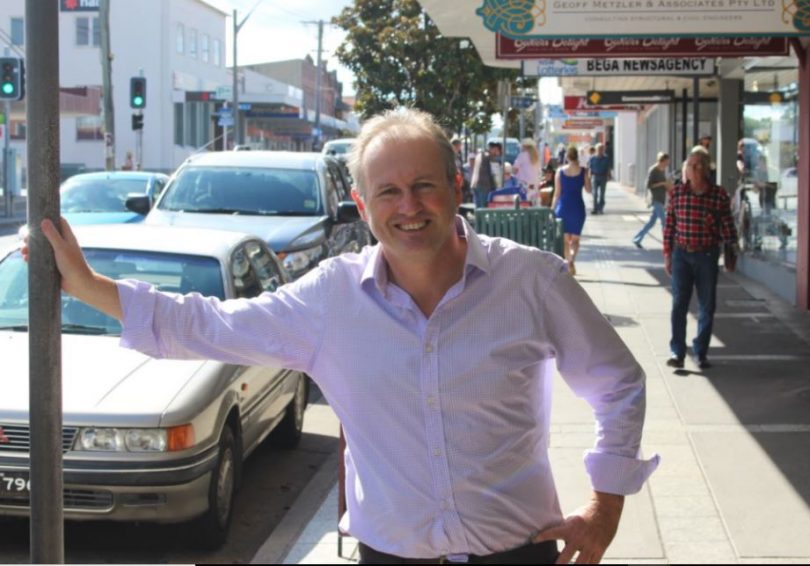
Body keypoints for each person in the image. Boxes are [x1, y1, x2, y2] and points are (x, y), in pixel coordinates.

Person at [26, 108, 657, 565]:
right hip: (389, 559)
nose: (408, 205)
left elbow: (619, 385)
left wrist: (605, 508)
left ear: (456, 186)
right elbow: (211, 324)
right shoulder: (330, 299)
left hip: (519, 555)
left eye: (424, 185)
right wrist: (88, 288)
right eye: (388, 191)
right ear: (360, 201)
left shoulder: (531, 281)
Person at [664, 146, 738, 370]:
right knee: (679, 304)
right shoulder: (677, 193)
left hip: (707, 254)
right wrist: (667, 253)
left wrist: (730, 251)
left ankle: (700, 352)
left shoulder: (718, 194)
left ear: (706, 169)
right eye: (690, 165)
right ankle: (678, 351)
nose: (693, 170)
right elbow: (670, 225)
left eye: (698, 166)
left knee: (707, 305)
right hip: (682, 255)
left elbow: (727, 224)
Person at [553, 145, 592, 276]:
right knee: (575, 240)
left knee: (564, 240)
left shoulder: (560, 172)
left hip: (563, 207)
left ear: (567, 157)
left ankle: (568, 260)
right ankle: (572, 261)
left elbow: (557, 194)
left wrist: (552, 210)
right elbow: (589, 190)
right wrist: (588, 176)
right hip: (577, 207)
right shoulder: (583, 171)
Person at [633, 152, 672, 249]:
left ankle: (637, 238)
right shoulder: (653, 170)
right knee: (665, 221)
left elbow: (663, 184)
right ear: (662, 160)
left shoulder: (662, 170)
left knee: (651, 222)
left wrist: (667, 186)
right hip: (655, 199)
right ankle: (667, 243)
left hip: (661, 198)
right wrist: (662, 183)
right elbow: (649, 185)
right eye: (667, 161)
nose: (668, 163)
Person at [470, 141, 501, 208]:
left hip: (475, 183)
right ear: (493, 149)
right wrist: (496, 186)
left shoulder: (479, 155)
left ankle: (477, 218)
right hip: (484, 185)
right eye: (497, 151)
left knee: (478, 207)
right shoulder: (489, 157)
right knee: (483, 207)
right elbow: (494, 173)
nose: (497, 154)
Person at [587, 143, 611, 215]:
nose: (600, 150)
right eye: (599, 149)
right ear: (596, 150)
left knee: (602, 194)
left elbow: (608, 168)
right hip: (595, 176)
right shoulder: (592, 158)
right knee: (595, 193)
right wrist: (589, 177)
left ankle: (600, 208)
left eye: (602, 149)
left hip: (603, 177)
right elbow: (590, 168)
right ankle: (595, 208)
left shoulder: (606, 158)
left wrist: (608, 176)